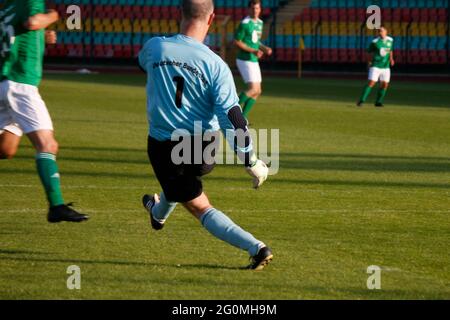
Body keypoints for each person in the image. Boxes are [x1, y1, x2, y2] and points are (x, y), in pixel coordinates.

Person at [138, 0, 273, 270]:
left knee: (198, 205)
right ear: (211, 19)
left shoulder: (154, 47)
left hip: (165, 146)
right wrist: (251, 161)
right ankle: (158, 214)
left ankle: (256, 248)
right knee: (177, 186)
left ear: (180, 14)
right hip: (203, 148)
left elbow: (144, 64)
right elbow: (233, 118)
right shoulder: (217, 65)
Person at [0, 0, 89, 223]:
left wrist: (42, 37)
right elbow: (32, 22)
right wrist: (53, 15)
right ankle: (56, 205)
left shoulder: (6, 8)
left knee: (6, 148)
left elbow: (16, 36)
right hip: (21, 85)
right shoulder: (32, 1)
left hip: (4, 81)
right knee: (47, 145)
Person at [234, 0, 272, 120]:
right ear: (248, 9)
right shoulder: (245, 23)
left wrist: (264, 48)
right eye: (253, 8)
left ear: (260, 10)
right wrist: (253, 51)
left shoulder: (260, 23)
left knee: (258, 91)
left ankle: (242, 118)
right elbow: (237, 41)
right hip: (244, 59)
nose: (255, 10)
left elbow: (255, 41)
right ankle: (230, 112)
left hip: (253, 59)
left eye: (257, 8)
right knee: (253, 89)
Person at [357, 26, 395, 107]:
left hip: (386, 67)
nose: (380, 32)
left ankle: (378, 102)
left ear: (386, 32)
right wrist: (369, 61)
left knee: (385, 84)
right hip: (376, 66)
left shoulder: (390, 40)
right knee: (371, 82)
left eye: (382, 31)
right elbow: (368, 52)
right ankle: (361, 100)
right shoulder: (375, 42)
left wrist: (391, 59)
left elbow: (390, 50)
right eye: (379, 31)